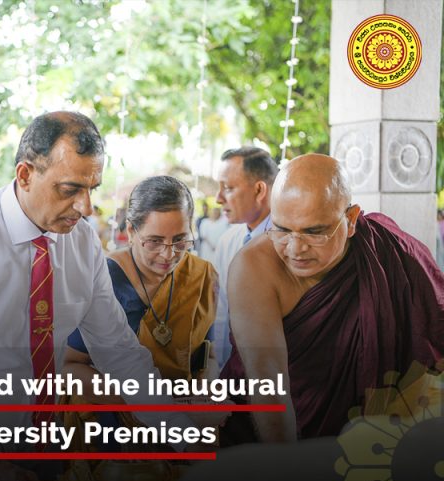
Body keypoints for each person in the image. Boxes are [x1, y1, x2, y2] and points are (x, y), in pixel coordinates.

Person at [0, 112, 209, 481]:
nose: (86, 207)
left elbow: (118, 351)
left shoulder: (82, 243)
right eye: (70, 189)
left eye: (92, 188)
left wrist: (182, 435)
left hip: (41, 440)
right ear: (25, 175)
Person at [220, 153, 443, 443]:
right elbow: (267, 381)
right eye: (282, 230)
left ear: (350, 220)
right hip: (262, 438)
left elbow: (433, 334)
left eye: (314, 232)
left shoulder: (390, 251)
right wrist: (284, 464)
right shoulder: (255, 265)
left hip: (368, 442)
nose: (295, 249)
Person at [62, 175, 219, 451]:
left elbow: (209, 356)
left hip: (186, 424)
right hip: (111, 428)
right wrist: (153, 403)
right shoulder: (103, 280)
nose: (168, 255)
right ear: (131, 231)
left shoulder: (201, 276)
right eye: (154, 241)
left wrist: (203, 395)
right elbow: (69, 368)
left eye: (180, 240)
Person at [210, 146, 277, 365]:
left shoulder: (290, 244)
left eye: (228, 188)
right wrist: (222, 369)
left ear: (259, 190)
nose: (218, 198)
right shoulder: (227, 241)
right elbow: (222, 312)